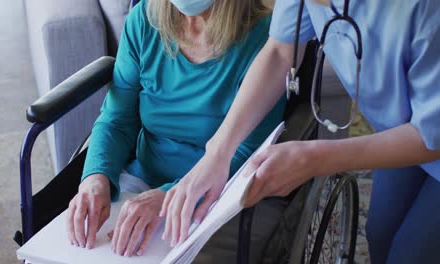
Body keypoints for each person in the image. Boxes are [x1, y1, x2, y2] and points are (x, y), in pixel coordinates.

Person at [161, 0, 440, 263]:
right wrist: (218, 152)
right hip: (403, 125)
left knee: (412, 253)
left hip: (430, 135)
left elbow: (433, 139)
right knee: (381, 232)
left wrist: (315, 159)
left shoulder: (425, 11)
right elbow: (280, 51)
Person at [65, 0, 286, 259]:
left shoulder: (265, 40)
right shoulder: (144, 21)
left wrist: (167, 197)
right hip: (142, 182)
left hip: (218, 196)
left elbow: (248, 154)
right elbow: (116, 119)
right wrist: (96, 179)